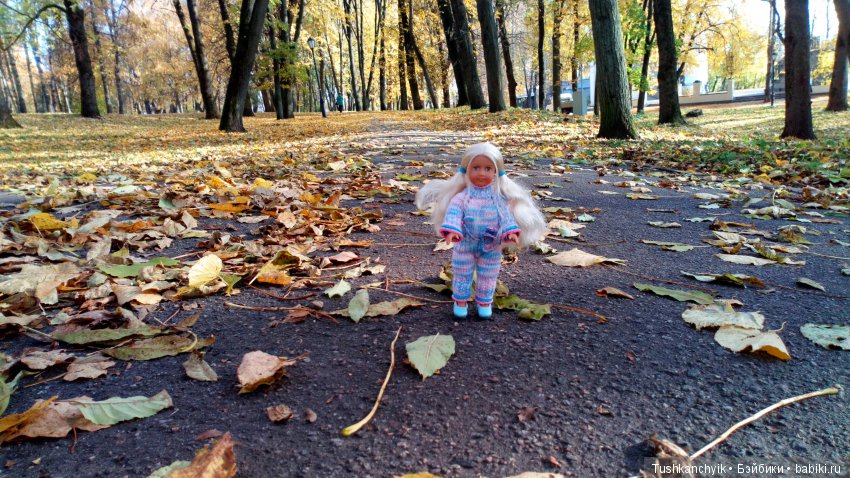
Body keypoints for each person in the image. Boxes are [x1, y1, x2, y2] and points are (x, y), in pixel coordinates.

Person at [415, 143, 547, 319]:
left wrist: (511, 231)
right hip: (465, 244)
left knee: (488, 275)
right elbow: (454, 213)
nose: (482, 173)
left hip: (491, 245)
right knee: (462, 273)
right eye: (476, 168)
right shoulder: (462, 197)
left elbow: (506, 216)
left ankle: (484, 302)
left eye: (487, 168)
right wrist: (452, 230)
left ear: (496, 172)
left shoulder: (498, 198)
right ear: (467, 170)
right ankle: (460, 301)